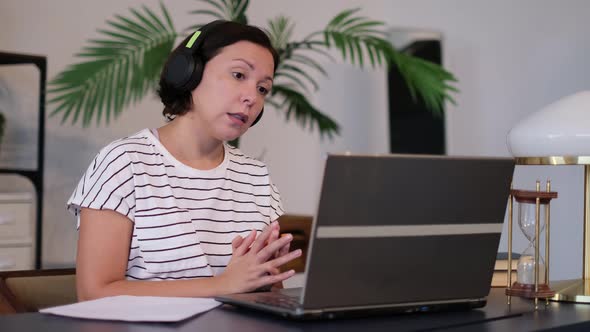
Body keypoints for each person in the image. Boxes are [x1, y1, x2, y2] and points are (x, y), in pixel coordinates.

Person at [67, 20, 301, 301]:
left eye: (263, 89)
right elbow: (93, 294)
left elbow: (263, 296)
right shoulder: (124, 163)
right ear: (189, 73)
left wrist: (267, 278)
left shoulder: (255, 177)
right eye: (239, 75)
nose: (252, 97)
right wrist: (220, 285)